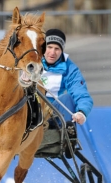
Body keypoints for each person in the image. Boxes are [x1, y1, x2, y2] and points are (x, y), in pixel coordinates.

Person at [41, 28, 93, 157]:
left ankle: (67, 136)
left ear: (62, 50)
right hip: (30, 111)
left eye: (57, 49)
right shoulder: (30, 60)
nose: (52, 52)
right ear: (43, 47)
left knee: (68, 98)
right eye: (49, 47)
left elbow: (80, 92)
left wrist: (82, 112)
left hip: (53, 114)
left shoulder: (69, 68)